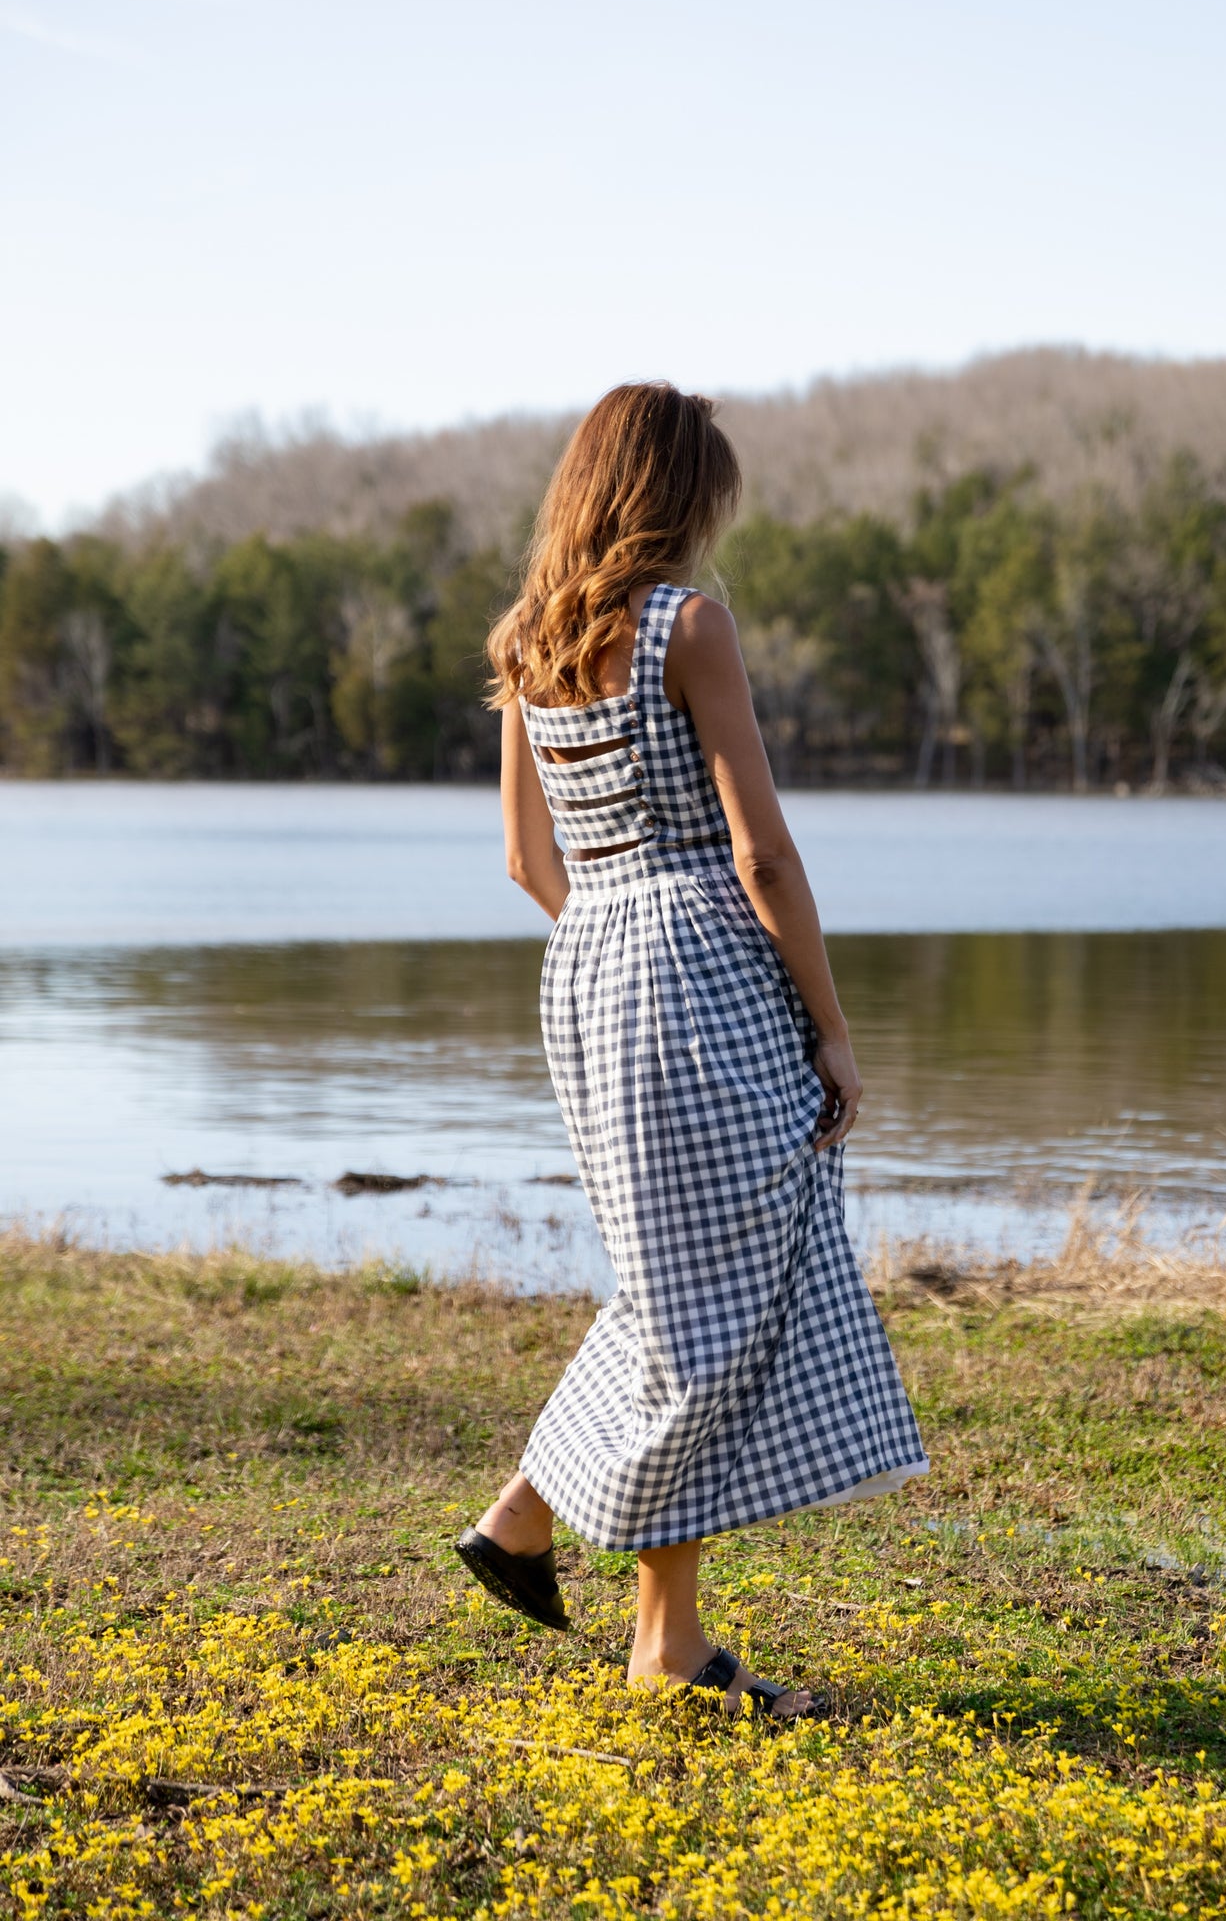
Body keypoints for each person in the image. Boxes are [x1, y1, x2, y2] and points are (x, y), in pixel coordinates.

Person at [457, 382, 927, 1720]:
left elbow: (524, 861)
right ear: (677, 495)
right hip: (700, 972)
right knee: (704, 1296)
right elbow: (761, 853)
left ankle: (557, 1542)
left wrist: (611, 941)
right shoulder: (686, 625)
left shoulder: (528, 639)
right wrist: (829, 1027)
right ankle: (618, 1600)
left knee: (680, 1290)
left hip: (588, 970)